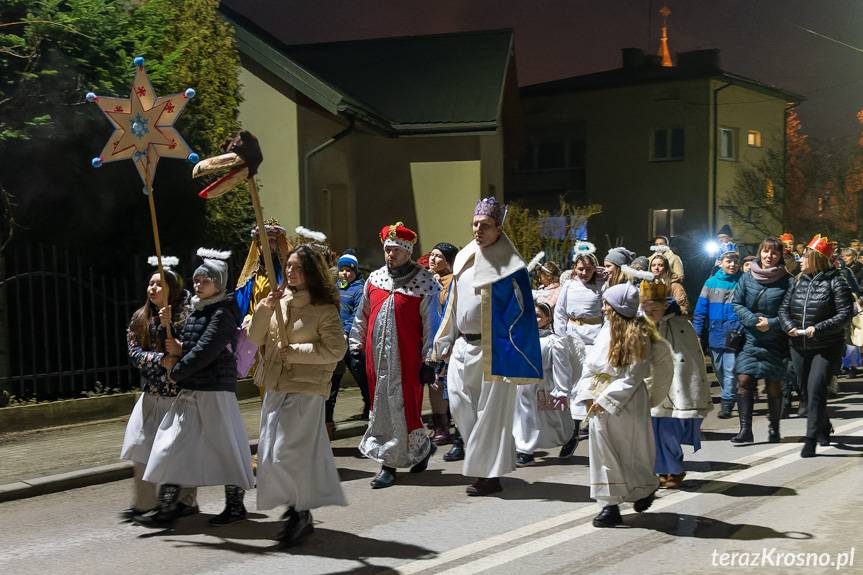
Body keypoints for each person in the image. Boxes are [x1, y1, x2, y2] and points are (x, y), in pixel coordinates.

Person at [433, 197, 543, 496]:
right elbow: (454, 303)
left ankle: (489, 474)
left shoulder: (511, 266)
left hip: (493, 350)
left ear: (498, 229)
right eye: (475, 225)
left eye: (485, 226)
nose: (478, 230)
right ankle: (483, 462)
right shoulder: (465, 257)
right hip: (462, 346)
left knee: (490, 414)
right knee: (457, 403)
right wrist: (443, 339)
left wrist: (514, 349)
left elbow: (520, 313)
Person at [137, 249, 254, 527]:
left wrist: (176, 372)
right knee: (172, 444)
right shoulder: (196, 311)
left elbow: (206, 350)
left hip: (214, 391)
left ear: (218, 283)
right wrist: (171, 332)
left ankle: (235, 506)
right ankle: (167, 507)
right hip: (192, 388)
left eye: (205, 281)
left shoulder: (223, 313)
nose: (198, 285)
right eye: (197, 280)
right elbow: (187, 345)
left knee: (225, 447)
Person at [248, 245, 348, 545]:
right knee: (270, 455)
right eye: (288, 266)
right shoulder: (279, 301)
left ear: (312, 272)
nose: (290, 271)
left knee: (285, 453)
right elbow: (255, 338)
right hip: (277, 386)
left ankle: (299, 510)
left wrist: (295, 352)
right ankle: (298, 510)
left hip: (306, 390)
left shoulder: (324, 309)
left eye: (297, 267)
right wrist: (265, 308)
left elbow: (336, 350)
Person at [574, 283, 673, 527]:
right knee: (603, 454)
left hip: (626, 400)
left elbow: (633, 376)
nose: (604, 307)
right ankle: (610, 505)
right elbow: (590, 366)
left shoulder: (638, 334)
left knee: (631, 451)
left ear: (618, 308)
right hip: (598, 399)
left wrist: (606, 400)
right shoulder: (605, 331)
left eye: (608, 304)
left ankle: (644, 488)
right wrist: (588, 394)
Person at [350, 222, 440, 489]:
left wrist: (430, 360)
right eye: (388, 250)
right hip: (376, 360)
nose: (391, 254)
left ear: (408, 251)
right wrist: (355, 345)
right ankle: (398, 458)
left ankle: (398, 459)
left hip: (408, 361)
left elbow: (431, 325)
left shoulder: (424, 283)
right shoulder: (374, 279)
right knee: (381, 408)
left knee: (406, 409)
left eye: (396, 250)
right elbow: (361, 315)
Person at [121, 257, 195, 520]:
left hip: (178, 396)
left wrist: (172, 326)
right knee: (140, 448)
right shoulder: (139, 317)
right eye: (150, 284)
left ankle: (185, 501)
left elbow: (190, 349)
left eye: (159, 284)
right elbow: (134, 352)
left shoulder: (187, 315)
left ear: (172, 290)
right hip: (150, 395)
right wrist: (157, 360)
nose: (152, 289)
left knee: (175, 452)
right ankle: (144, 502)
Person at [779, 235, 853, 457]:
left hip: (825, 347)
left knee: (816, 389)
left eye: (805, 256)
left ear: (817, 258)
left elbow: (845, 314)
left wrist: (818, 328)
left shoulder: (836, 281)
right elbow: (783, 310)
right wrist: (789, 326)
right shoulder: (797, 281)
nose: (800, 260)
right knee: (807, 392)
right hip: (799, 345)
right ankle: (823, 424)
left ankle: (810, 439)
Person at [640, 280, 711, 489]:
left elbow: (691, 356)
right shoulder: (638, 323)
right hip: (648, 383)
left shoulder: (681, 325)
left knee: (669, 429)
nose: (651, 312)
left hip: (674, 386)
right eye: (646, 308)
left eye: (655, 308)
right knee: (652, 430)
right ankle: (661, 470)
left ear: (664, 305)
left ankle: (675, 468)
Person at [730, 237, 792, 444]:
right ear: (760, 252)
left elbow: (791, 311)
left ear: (780, 255)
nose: (769, 256)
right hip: (750, 338)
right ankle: (745, 429)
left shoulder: (788, 280)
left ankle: (774, 428)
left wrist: (772, 323)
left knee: (774, 385)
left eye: (774, 252)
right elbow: (737, 303)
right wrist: (753, 320)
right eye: (766, 251)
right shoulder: (747, 278)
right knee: (744, 380)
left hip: (775, 341)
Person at [513, 302, 584, 466]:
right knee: (524, 417)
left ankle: (569, 436)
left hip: (544, 384)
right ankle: (525, 451)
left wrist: (562, 390)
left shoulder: (554, 342)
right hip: (524, 384)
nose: (535, 319)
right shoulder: (522, 337)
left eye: (539, 315)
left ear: (548, 319)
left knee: (553, 418)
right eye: (533, 315)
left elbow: (562, 368)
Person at [553, 240, 605, 456]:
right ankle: (572, 434)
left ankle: (595, 431)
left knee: (591, 386)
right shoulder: (568, 286)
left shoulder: (601, 286)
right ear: (575, 268)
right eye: (580, 268)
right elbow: (560, 311)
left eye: (588, 269)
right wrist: (561, 335)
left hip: (594, 340)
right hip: (574, 338)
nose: (584, 272)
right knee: (574, 385)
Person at [691, 243, 742, 419]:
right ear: (720, 262)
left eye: (735, 261)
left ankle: (727, 402)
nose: (733, 264)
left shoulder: (743, 281)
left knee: (730, 368)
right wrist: (696, 332)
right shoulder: (711, 283)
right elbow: (700, 310)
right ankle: (730, 392)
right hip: (715, 333)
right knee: (719, 368)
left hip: (734, 332)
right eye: (729, 261)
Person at [328, 250, 370, 432]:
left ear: (355, 272)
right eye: (342, 269)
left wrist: (346, 331)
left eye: (349, 270)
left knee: (360, 375)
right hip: (334, 341)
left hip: (351, 341)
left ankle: (370, 405)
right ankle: (327, 419)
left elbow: (357, 314)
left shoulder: (359, 289)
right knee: (332, 380)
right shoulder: (333, 288)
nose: (345, 273)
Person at [428, 242, 459, 447]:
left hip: (450, 339)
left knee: (449, 385)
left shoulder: (455, 282)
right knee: (433, 383)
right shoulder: (426, 280)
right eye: (431, 255)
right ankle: (440, 425)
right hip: (429, 338)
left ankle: (453, 426)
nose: (432, 259)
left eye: (438, 256)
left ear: (448, 261)